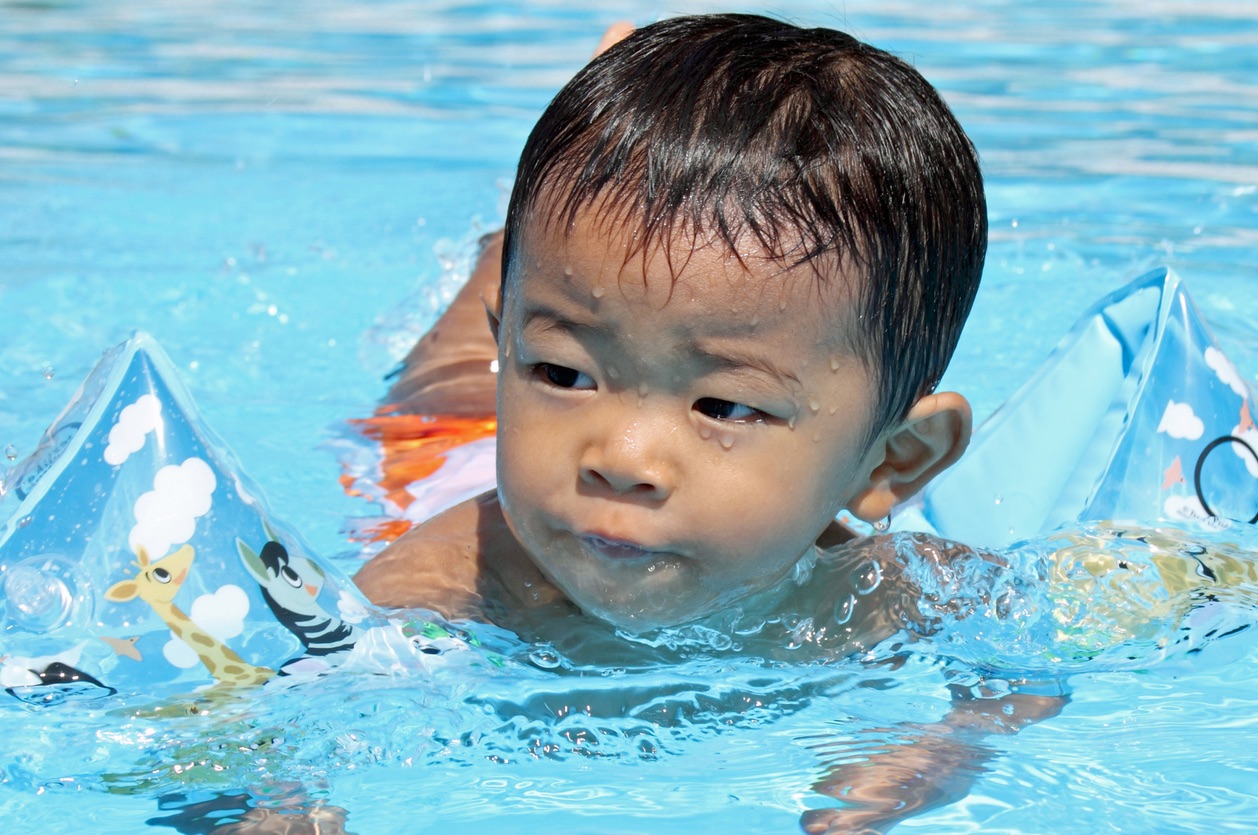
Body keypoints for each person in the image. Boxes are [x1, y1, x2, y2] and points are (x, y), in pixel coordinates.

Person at [352, 14, 1062, 831]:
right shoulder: (453, 584)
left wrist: (943, 748)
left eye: (721, 405)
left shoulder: (878, 592)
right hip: (435, 442)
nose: (621, 458)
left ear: (891, 462)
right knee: (466, 347)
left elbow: (1024, 669)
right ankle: (527, 245)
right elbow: (290, 711)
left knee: (587, 295)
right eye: (558, 373)